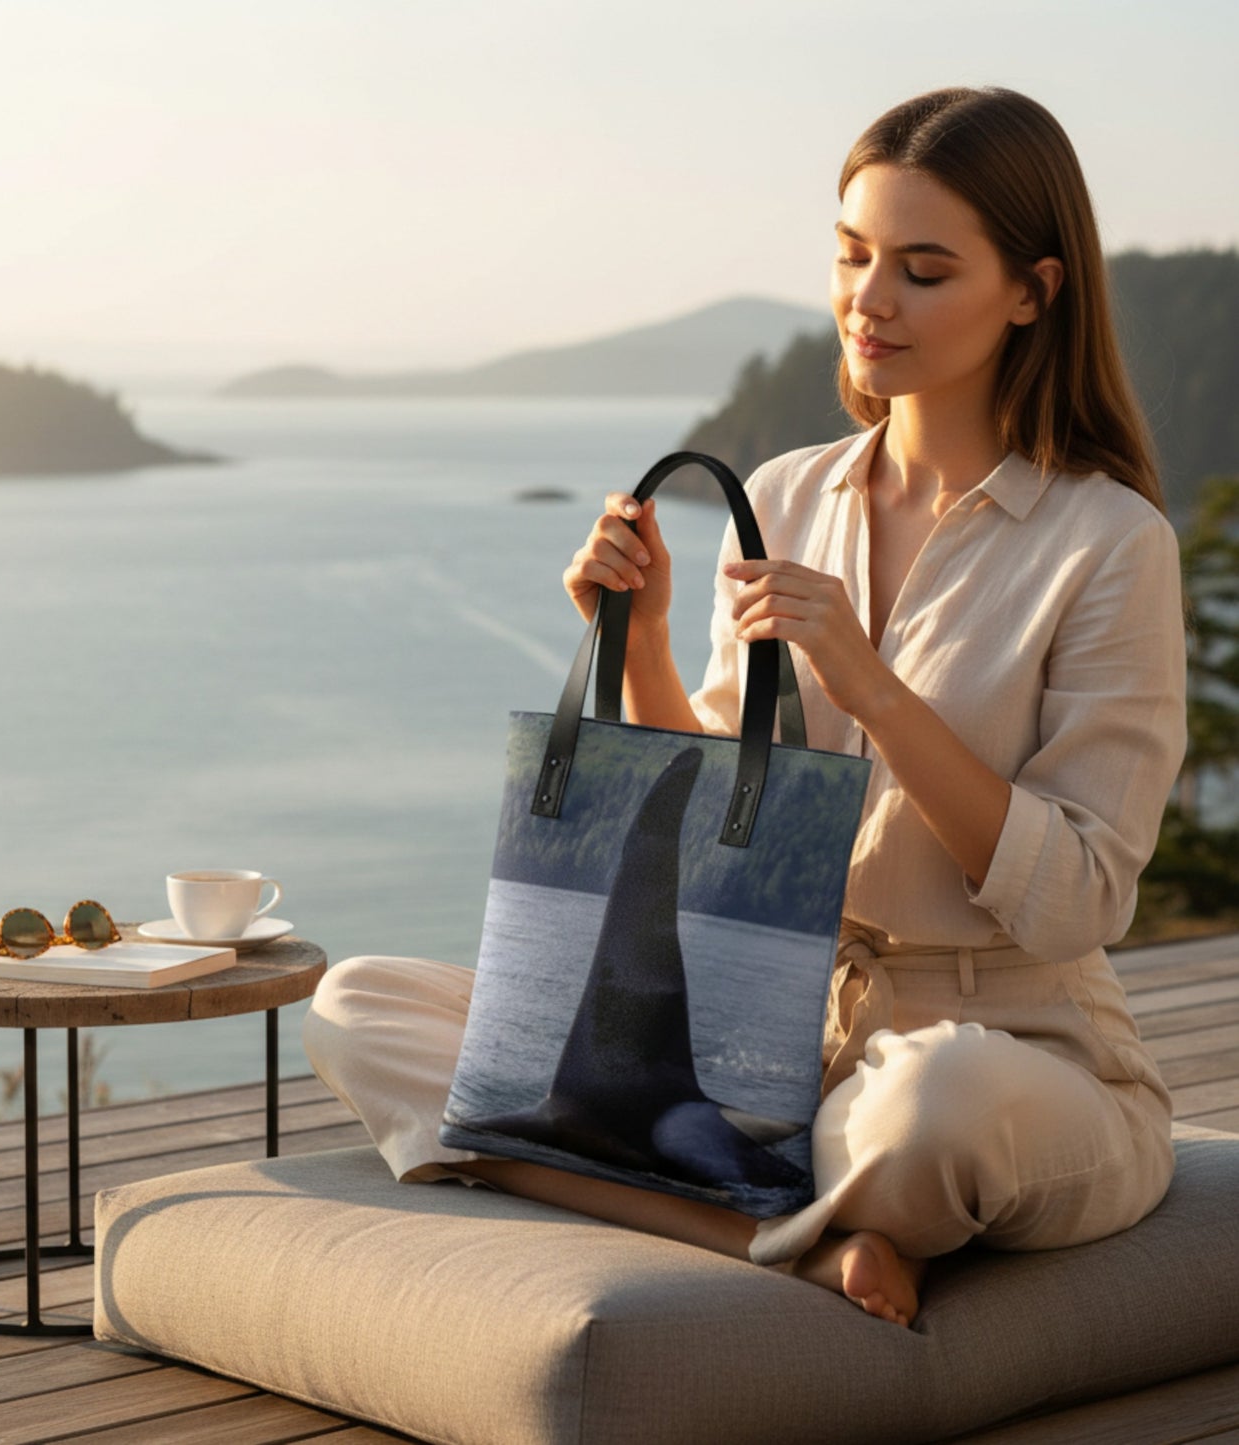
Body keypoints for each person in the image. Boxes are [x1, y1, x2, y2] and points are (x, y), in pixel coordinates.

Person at [303, 86, 1186, 1329]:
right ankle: (777, 1232)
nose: (868, 299)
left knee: (928, 1111)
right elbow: (724, 820)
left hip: (1010, 1048)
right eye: (851, 254)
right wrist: (641, 640)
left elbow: (1079, 898)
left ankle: (624, 1166)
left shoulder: (1107, 542)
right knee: (360, 1004)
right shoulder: (782, 494)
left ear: (1031, 292)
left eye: (922, 269)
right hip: (761, 1029)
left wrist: (870, 685)